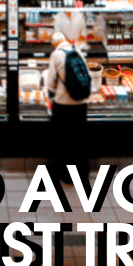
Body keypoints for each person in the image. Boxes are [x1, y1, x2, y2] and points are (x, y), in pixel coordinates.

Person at [46, 21, 89, 185]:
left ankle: (65, 175)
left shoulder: (56, 55)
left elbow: (50, 82)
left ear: (55, 44)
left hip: (64, 104)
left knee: (64, 140)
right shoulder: (77, 50)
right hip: (81, 103)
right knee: (79, 139)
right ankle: (81, 173)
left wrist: (50, 96)